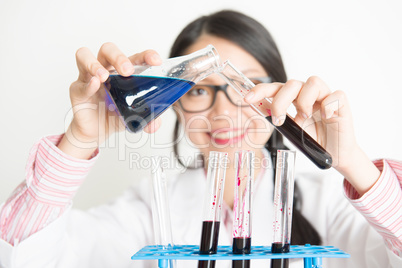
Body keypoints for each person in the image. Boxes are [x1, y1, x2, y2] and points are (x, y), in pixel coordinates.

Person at [0, 10, 401, 268]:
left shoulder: (327, 206)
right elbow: (26, 253)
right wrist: (78, 138)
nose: (223, 112)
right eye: (197, 90)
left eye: (246, 85)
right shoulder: (148, 212)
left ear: (277, 91)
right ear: (173, 103)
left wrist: (353, 162)